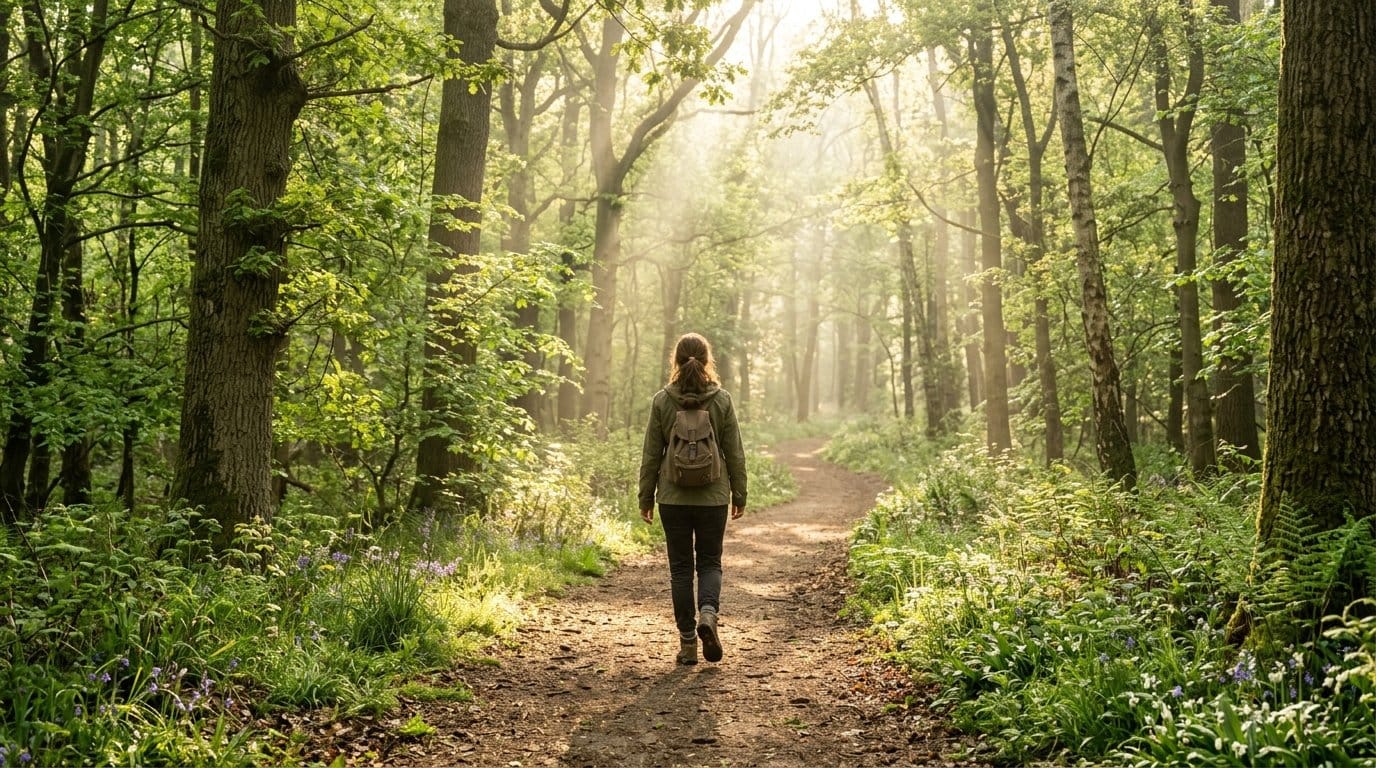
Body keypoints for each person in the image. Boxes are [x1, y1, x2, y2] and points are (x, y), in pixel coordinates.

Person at [638, 332, 747, 665]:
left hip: (673, 497)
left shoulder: (662, 400)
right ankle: (708, 615)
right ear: (707, 360)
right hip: (713, 496)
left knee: (681, 570)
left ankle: (687, 645)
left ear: (676, 360)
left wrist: (645, 497)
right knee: (710, 563)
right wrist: (739, 493)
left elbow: (651, 455)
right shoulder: (722, 399)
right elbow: (734, 453)